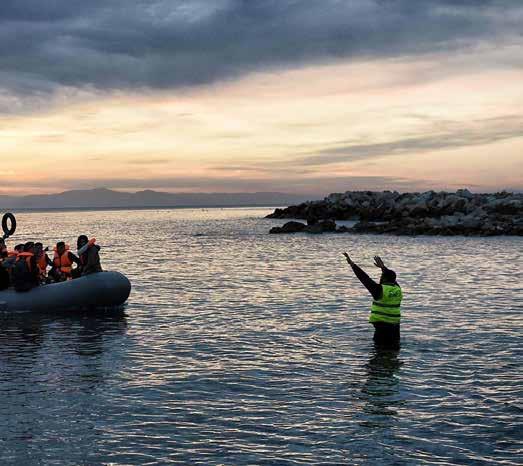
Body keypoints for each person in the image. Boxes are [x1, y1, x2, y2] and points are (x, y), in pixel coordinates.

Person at [343, 253, 402, 349]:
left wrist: (352, 264)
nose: (380, 278)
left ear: (384, 278)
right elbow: (390, 276)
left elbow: (364, 278)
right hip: (395, 328)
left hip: (382, 328)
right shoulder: (397, 289)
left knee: (380, 353)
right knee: (393, 352)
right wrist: (383, 268)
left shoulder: (379, 290)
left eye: (382, 276)